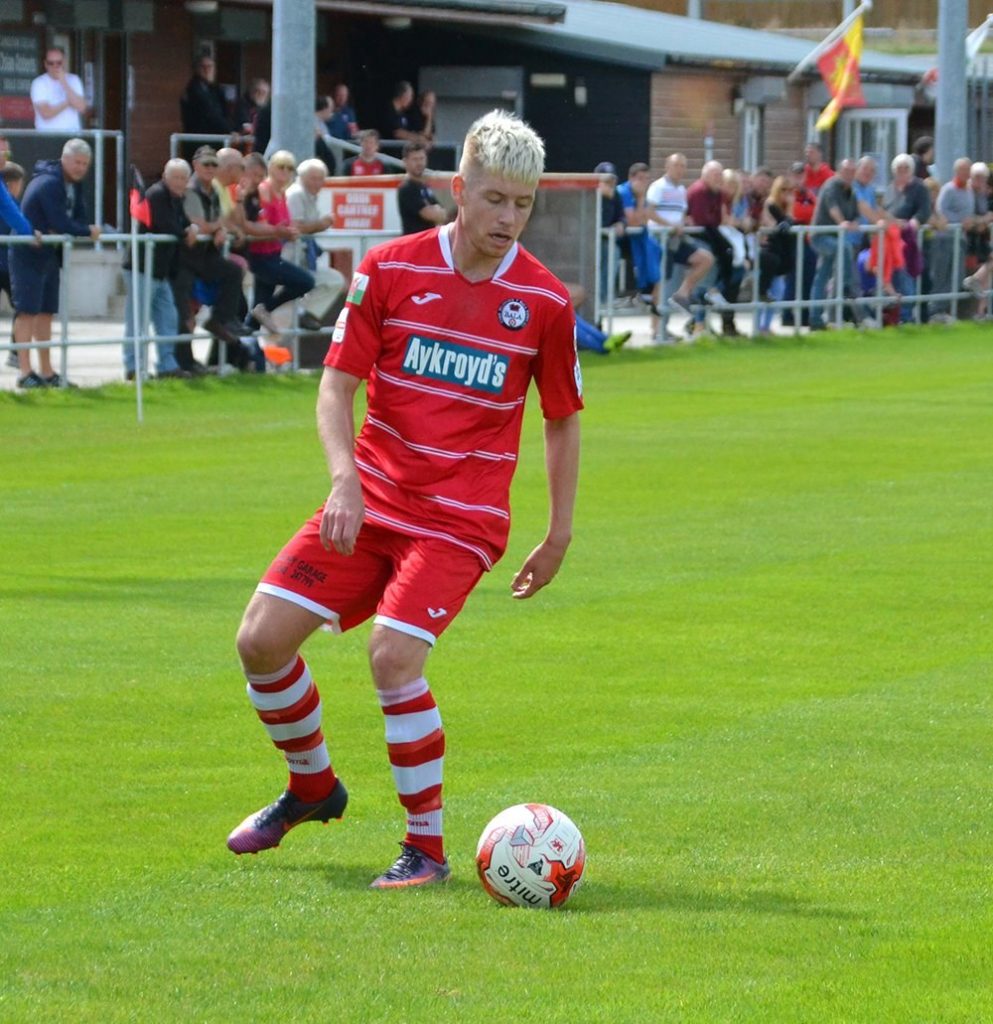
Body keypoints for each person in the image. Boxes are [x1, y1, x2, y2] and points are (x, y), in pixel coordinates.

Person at [227, 109, 583, 891]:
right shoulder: (389, 268)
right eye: (492, 199)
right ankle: (312, 788)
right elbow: (335, 383)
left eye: (521, 204)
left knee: (391, 656)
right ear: (458, 188)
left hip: (461, 518)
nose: (506, 218)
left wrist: (557, 533)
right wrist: (343, 478)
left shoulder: (545, 303)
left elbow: (560, 421)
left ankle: (426, 847)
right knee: (259, 639)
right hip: (373, 496)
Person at [9, 138, 100, 389]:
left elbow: (78, 216)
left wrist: (75, 227)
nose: (81, 168)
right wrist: (85, 230)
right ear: (64, 159)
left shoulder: (76, 185)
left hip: (50, 254)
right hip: (28, 253)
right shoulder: (49, 182)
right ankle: (25, 372)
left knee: (47, 311)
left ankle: (47, 372)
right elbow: (62, 221)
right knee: (27, 310)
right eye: (77, 162)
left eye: (85, 164)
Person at [173, 145, 247, 370]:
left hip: (203, 257)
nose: (210, 168)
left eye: (214, 164)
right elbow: (200, 224)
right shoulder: (192, 189)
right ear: (195, 165)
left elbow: (217, 223)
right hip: (184, 259)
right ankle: (183, 363)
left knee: (234, 271)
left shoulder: (214, 191)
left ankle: (220, 320)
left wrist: (218, 228)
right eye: (206, 164)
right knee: (185, 312)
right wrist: (218, 227)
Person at [122, 159, 194, 381]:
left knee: (168, 317)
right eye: (176, 177)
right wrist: (185, 234)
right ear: (165, 176)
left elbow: (181, 222)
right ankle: (134, 367)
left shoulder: (177, 199)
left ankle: (167, 365)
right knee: (138, 319)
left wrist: (191, 228)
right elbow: (165, 224)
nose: (180, 182)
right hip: (142, 267)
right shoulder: (156, 195)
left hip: (161, 271)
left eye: (184, 178)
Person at [243, 151, 315, 337]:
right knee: (306, 281)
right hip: (262, 255)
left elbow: (282, 226)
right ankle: (265, 309)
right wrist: (282, 232)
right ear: (271, 169)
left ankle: (239, 358)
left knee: (253, 319)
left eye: (289, 168)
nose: (285, 171)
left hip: (273, 252)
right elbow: (263, 225)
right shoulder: (264, 190)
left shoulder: (281, 193)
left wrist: (289, 232)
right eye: (280, 166)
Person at [645, 153, 713, 332]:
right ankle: (658, 328)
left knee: (705, 259)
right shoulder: (658, 187)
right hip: (660, 238)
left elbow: (680, 214)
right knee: (662, 282)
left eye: (683, 166)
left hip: (676, 238)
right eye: (677, 165)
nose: (680, 169)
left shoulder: (682, 190)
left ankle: (683, 292)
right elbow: (649, 212)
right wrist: (670, 225)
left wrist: (683, 224)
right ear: (667, 166)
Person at [285, 158, 346, 329]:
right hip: (289, 258)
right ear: (301, 177)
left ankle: (304, 314)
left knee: (335, 280)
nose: (318, 183)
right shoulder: (296, 193)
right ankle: (299, 315)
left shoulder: (310, 196)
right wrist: (321, 224)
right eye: (313, 178)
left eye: (321, 178)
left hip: (303, 259)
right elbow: (295, 228)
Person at [808, 159, 869, 330]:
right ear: (839, 171)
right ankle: (846, 286)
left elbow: (856, 213)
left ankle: (816, 318)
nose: (849, 175)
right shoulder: (831, 185)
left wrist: (855, 222)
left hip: (837, 238)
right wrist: (843, 222)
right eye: (846, 171)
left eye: (852, 172)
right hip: (821, 236)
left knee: (822, 276)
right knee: (845, 249)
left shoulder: (852, 191)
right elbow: (832, 208)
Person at [881, 153, 930, 324]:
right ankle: (891, 317)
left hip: (907, 242)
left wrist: (913, 223)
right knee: (890, 279)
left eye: (906, 168)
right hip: (889, 240)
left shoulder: (919, 188)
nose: (902, 172)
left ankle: (907, 317)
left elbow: (924, 211)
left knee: (906, 278)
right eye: (899, 169)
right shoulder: (890, 189)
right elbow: (885, 210)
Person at [30, 47, 88, 133]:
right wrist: (68, 102)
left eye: (59, 63)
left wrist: (64, 83)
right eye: (51, 63)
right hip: (47, 136)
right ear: (45, 64)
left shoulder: (74, 80)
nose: (55, 66)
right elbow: (46, 113)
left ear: (64, 62)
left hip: (72, 136)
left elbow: (82, 107)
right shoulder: (39, 83)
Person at [180, 54, 234, 143]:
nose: (207, 70)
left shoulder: (215, 89)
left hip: (214, 138)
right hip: (199, 141)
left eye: (210, 67)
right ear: (196, 69)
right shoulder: (194, 89)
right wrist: (229, 131)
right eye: (203, 67)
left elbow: (224, 112)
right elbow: (210, 113)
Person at [397, 141, 448, 235]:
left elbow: (443, 214)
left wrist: (436, 210)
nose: (419, 163)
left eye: (422, 158)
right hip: (414, 243)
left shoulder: (424, 186)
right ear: (405, 162)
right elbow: (430, 215)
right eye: (415, 159)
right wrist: (435, 210)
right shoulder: (407, 188)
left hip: (427, 242)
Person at [594, 161, 625, 306]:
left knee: (614, 252)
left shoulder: (615, 194)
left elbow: (621, 216)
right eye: (606, 180)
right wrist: (599, 194)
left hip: (606, 238)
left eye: (612, 179)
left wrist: (621, 223)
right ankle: (598, 298)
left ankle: (605, 297)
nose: (610, 183)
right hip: (589, 239)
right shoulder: (590, 192)